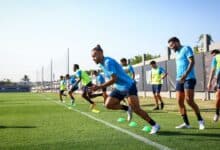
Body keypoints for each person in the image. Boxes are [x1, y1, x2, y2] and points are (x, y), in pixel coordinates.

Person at [91, 44, 160, 134]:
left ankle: (155, 125)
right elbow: (114, 79)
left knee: (136, 109)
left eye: (95, 55)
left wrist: (99, 87)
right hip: (119, 88)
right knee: (108, 104)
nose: (93, 58)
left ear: (101, 53)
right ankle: (127, 108)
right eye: (92, 57)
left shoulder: (108, 62)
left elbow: (114, 79)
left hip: (128, 86)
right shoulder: (101, 64)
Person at [168, 37, 205, 130]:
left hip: (189, 78)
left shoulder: (186, 48)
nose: (171, 48)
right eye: (170, 47)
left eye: (172, 45)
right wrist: (180, 77)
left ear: (176, 42)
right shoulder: (176, 53)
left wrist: (185, 75)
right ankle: (186, 123)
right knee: (179, 101)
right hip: (179, 79)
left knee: (189, 100)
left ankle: (200, 120)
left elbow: (192, 62)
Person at [207, 49, 220, 122]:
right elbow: (214, 70)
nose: (213, 57)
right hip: (218, 78)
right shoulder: (216, 58)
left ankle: (217, 113)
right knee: (218, 96)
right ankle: (217, 113)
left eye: (213, 55)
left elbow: (212, 70)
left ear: (215, 53)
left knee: (218, 96)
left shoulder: (216, 57)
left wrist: (209, 82)